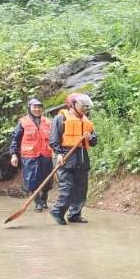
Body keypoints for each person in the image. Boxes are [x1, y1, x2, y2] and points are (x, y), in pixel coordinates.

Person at [49, 93, 97, 225]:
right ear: (73, 104)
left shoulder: (87, 121)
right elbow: (54, 140)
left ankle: (75, 214)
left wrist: (90, 138)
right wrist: (58, 154)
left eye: (86, 107)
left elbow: (94, 141)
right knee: (67, 189)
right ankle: (57, 211)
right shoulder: (61, 118)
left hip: (82, 159)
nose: (85, 109)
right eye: (82, 106)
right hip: (66, 157)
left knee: (81, 189)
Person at [10, 98, 53, 212]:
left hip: (45, 154)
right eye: (35, 107)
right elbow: (15, 139)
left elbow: (54, 138)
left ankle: (44, 200)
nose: (37, 109)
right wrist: (14, 154)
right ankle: (37, 202)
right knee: (32, 179)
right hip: (30, 155)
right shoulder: (23, 122)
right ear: (29, 108)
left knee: (47, 178)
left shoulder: (48, 122)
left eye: (39, 107)